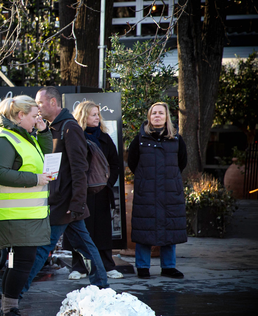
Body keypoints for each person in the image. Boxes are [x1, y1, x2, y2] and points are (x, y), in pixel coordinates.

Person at [23, 87, 109, 293]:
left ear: (53, 102)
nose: (37, 107)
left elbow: (80, 169)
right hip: (60, 199)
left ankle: (16, 291)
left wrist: (78, 202)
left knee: (44, 246)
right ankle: (102, 286)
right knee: (85, 246)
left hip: (65, 201)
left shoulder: (69, 128)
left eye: (40, 103)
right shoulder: (51, 127)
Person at [0, 96, 53, 316]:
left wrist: (44, 132)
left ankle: (8, 309)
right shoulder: (4, 139)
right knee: (22, 263)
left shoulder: (23, 136)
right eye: (34, 116)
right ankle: (8, 312)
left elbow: (44, 159)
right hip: (15, 214)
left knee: (19, 263)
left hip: (27, 213)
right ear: (19, 116)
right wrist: (35, 179)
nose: (37, 119)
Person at [127, 102, 188, 279]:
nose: (157, 116)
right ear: (149, 116)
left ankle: (169, 267)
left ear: (166, 116)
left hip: (170, 191)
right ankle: (143, 267)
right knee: (145, 228)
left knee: (170, 228)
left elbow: (181, 162)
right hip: (146, 191)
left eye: (161, 113)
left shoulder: (176, 139)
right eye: (154, 113)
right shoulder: (140, 139)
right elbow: (133, 163)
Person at [66, 101, 122, 274]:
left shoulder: (105, 138)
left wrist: (107, 185)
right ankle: (78, 267)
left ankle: (108, 266)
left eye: (98, 114)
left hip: (101, 193)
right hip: (81, 192)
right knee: (81, 229)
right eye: (93, 114)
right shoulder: (75, 137)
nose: (97, 118)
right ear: (84, 116)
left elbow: (115, 164)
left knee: (103, 230)